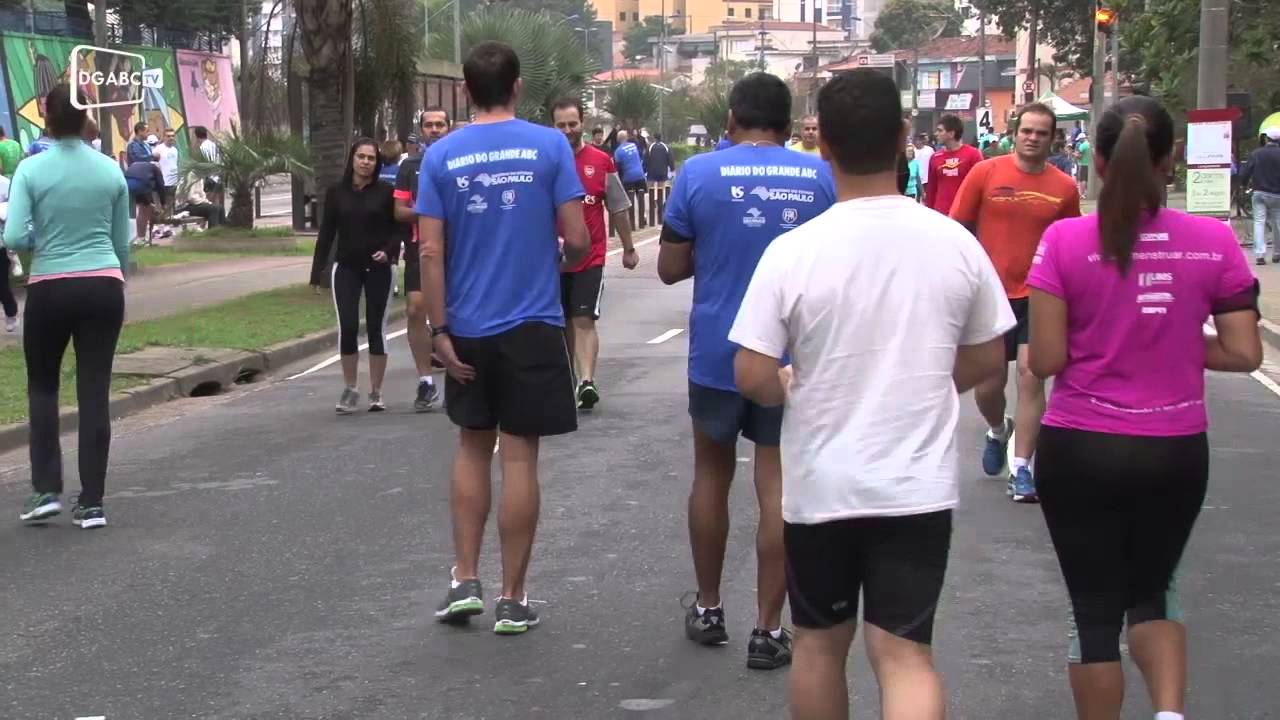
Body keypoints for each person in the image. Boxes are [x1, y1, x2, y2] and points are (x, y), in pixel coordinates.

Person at [729, 69, 1012, 720]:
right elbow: (990, 355)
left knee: (819, 649)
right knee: (906, 655)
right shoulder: (954, 245)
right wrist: (931, 380)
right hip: (915, 489)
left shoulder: (792, 253)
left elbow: (750, 373)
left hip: (822, 486)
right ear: (904, 139)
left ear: (821, 144)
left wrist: (790, 386)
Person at [1027, 94, 1261, 720]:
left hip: (1081, 443)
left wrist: (1103, 333)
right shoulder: (1212, 241)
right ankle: (1168, 713)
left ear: (1097, 162)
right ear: (1171, 160)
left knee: (1094, 611)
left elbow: (1045, 359)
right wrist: (1178, 338)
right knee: (1154, 593)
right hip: (1176, 447)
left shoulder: (1064, 240)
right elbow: (1244, 353)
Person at [658, 72, 836, 670]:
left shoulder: (697, 175)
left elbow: (669, 267)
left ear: (730, 120)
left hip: (717, 353)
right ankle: (767, 629)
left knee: (710, 475)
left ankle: (708, 608)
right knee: (777, 487)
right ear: (789, 125)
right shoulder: (818, 176)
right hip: (791, 359)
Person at [416, 41, 589, 635]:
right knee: (520, 456)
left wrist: (439, 330)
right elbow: (578, 236)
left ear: (465, 92)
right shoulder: (549, 146)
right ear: (517, 88)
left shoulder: (439, 155)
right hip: (534, 323)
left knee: (471, 446)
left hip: (466, 328)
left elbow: (430, 250)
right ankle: (514, 599)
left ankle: (465, 579)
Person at [13, 85, 132, 530]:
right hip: (102, 284)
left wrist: (40, 240)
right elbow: (123, 243)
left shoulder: (31, 170)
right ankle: (93, 502)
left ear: (46, 119)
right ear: (88, 120)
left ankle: (46, 490)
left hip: (49, 286)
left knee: (43, 386)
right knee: (94, 391)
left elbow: (11, 238)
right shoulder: (110, 172)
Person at [949, 102, 1081, 503]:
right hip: (989, 295)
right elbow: (957, 230)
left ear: (1052, 137)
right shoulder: (985, 172)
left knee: (1029, 375)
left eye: (1042, 133)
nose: (1033, 138)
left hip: (1039, 295)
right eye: (1027, 131)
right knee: (988, 385)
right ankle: (996, 429)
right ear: (1014, 132)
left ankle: (1022, 468)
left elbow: (1070, 242)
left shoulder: (1064, 187)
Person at [551, 98, 638, 409]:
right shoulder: (545, 162)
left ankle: (587, 381)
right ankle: (571, 379)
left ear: (582, 123)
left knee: (583, 317)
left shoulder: (602, 162)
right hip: (553, 260)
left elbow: (618, 207)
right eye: (560, 125)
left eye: (572, 124)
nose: (567, 131)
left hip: (591, 256)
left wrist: (628, 248)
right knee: (561, 322)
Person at [309, 138, 400, 414]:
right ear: (352, 159)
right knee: (348, 327)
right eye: (361, 157)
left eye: (371, 158)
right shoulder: (337, 192)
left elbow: (398, 230)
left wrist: (389, 252)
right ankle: (350, 388)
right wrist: (317, 272)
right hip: (346, 267)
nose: (365, 162)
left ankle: (376, 391)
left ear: (377, 162)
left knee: (376, 329)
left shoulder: (386, 192)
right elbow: (326, 233)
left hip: (380, 269)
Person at [391, 107, 451, 412]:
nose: (435, 129)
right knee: (415, 310)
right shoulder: (410, 166)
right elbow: (399, 211)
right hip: (420, 248)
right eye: (429, 125)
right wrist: (429, 211)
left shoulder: (459, 161)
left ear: (449, 128)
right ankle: (426, 381)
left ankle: (462, 373)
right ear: (421, 130)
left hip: (458, 249)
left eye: (440, 124)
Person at [925, 114, 983, 215]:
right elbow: (931, 190)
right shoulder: (935, 157)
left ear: (951, 133)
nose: (936, 134)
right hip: (941, 215)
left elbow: (981, 187)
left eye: (940, 130)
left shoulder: (973, 154)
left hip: (965, 215)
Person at [1241, 127, 1280, 265]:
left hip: (1259, 193)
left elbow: (1246, 172)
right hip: (1277, 194)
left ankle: (1260, 255)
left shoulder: (1256, 153)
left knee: (1259, 222)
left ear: (1266, 138)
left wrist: (1243, 184)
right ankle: (1277, 253)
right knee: (1277, 223)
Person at [124, 156, 164, 246]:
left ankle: (137, 237)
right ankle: (141, 238)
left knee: (138, 211)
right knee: (144, 210)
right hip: (140, 184)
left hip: (126, 184)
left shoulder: (139, 164)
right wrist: (163, 204)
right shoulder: (155, 169)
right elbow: (161, 188)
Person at [613, 129, 648, 229]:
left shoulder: (618, 152)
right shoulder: (634, 146)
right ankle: (644, 217)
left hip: (628, 178)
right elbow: (640, 156)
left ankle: (631, 222)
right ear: (626, 137)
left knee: (629, 200)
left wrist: (619, 180)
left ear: (617, 139)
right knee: (640, 197)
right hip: (640, 175)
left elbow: (619, 168)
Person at [644, 132, 674, 221]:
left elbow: (646, 159)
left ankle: (652, 202)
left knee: (650, 189)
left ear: (654, 138)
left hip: (651, 171)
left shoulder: (650, 147)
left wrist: (644, 170)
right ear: (661, 138)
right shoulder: (666, 147)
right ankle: (660, 205)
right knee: (661, 189)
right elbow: (670, 159)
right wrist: (672, 169)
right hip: (662, 172)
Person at [194, 126, 224, 209]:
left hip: (211, 177)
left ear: (196, 136)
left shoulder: (203, 147)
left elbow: (206, 163)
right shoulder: (213, 144)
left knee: (209, 201)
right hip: (219, 175)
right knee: (218, 201)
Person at [155, 129, 181, 216]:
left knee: (171, 204)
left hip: (174, 182)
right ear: (163, 137)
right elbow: (154, 164)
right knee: (162, 205)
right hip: (163, 182)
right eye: (168, 136)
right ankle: (161, 226)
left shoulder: (175, 150)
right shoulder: (158, 149)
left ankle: (170, 223)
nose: (171, 138)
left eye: (173, 136)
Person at [913, 133, 934, 203]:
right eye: (916, 140)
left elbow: (934, 162)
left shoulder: (929, 150)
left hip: (927, 180)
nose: (918, 142)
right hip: (915, 181)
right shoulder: (912, 151)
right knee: (916, 202)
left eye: (919, 140)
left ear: (922, 141)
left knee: (927, 200)